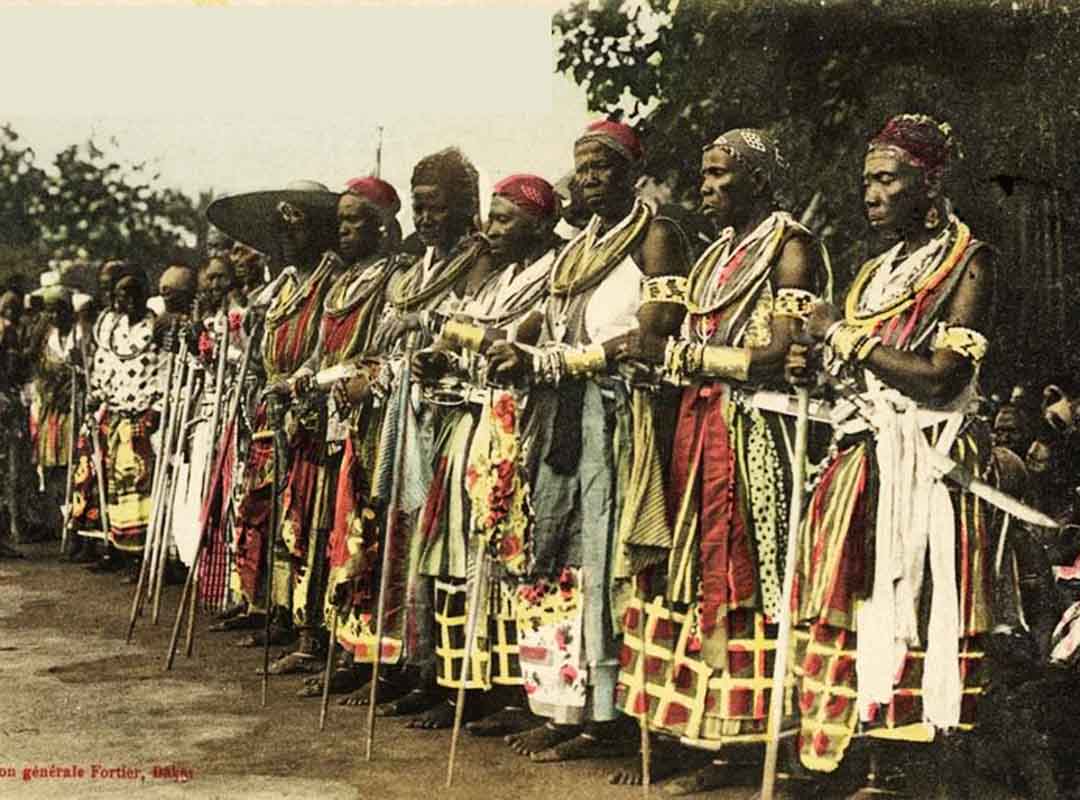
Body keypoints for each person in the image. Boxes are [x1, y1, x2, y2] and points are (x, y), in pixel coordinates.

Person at [608, 128, 831, 793]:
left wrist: (683, 357)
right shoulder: (715, 256)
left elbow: (780, 351)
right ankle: (702, 736)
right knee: (689, 573)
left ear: (756, 180)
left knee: (747, 575)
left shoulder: (791, 247)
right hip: (699, 425)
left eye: (717, 175)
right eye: (703, 175)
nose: (705, 186)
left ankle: (759, 747)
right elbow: (679, 334)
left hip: (757, 435)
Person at [785, 114, 996, 796]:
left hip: (929, 462)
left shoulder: (969, 261)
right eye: (866, 182)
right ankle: (857, 757)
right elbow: (857, 370)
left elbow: (941, 377)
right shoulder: (877, 273)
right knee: (859, 602)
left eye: (886, 179)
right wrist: (812, 363)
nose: (871, 195)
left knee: (920, 603)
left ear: (927, 184)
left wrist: (841, 337)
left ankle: (909, 769)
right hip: (866, 458)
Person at [487, 119, 691, 763]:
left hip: (621, 421)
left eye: (603, 166)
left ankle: (611, 717)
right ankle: (563, 706)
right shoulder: (577, 249)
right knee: (558, 557)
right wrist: (507, 347)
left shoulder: (657, 236)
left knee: (608, 560)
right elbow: (539, 323)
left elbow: (654, 333)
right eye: (582, 168)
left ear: (633, 173)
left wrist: (561, 361)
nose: (590, 178)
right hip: (561, 417)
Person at [399, 173, 562, 732]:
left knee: (504, 556)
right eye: (491, 218)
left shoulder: (553, 274)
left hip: (520, 427)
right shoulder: (500, 278)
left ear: (538, 226)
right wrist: (439, 356)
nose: (490, 230)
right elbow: (470, 334)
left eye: (504, 220)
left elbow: (511, 342)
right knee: (461, 558)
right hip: (472, 423)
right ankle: (460, 685)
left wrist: (456, 335)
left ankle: (511, 695)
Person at [261, 176, 404, 677]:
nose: (343, 230)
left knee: (363, 530)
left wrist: (325, 379)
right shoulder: (343, 283)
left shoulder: (395, 279)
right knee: (326, 526)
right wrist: (298, 379)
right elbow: (322, 352)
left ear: (381, 227)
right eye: (340, 221)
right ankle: (324, 639)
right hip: (328, 417)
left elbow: (381, 352)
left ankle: (363, 654)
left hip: (372, 416)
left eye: (354, 221)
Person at [207, 180, 340, 645]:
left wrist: (299, 383)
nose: (288, 235)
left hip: (308, 411)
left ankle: (306, 623)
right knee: (266, 511)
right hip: (269, 409)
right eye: (281, 227)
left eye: (297, 224)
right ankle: (271, 608)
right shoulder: (282, 287)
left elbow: (325, 348)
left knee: (304, 514)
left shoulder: (331, 281)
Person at [87, 263, 164, 578]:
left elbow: (164, 370)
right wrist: (96, 396)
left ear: (145, 293)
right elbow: (103, 367)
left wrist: (156, 409)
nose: (128, 300)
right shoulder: (111, 329)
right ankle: (119, 548)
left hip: (144, 418)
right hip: (116, 416)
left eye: (134, 293)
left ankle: (144, 554)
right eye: (121, 294)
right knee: (116, 485)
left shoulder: (155, 328)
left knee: (142, 485)